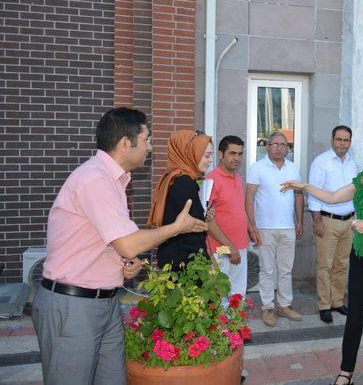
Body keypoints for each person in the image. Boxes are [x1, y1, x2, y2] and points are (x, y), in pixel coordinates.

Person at [32, 108, 208, 385]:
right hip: (73, 307)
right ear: (125, 143)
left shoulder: (114, 180)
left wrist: (123, 263)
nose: (150, 147)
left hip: (105, 303)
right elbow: (127, 244)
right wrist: (176, 228)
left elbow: (111, 242)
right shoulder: (95, 179)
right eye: (147, 139)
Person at [282, 130, 363, 385]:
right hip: (360, 255)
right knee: (355, 314)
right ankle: (346, 372)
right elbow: (332, 197)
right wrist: (305, 186)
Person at [246, 132, 304, 327]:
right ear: (267, 146)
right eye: (275, 144)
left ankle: (285, 305)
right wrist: (252, 226)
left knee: (286, 270)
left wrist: (300, 221)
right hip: (265, 228)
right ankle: (268, 307)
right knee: (267, 270)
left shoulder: (293, 169)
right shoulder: (257, 168)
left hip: (287, 227)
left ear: (288, 148)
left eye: (283, 145)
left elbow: (298, 196)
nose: (279, 148)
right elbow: (249, 198)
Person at [308, 125, 358, 324]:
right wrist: (317, 221)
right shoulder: (321, 162)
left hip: (349, 222)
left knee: (341, 265)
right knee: (325, 266)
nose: (342, 144)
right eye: (339, 140)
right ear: (332, 139)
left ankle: (337, 301)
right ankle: (324, 305)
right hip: (328, 221)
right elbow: (313, 193)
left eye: (346, 140)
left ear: (350, 142)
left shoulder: (353, 163)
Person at [148, 130, 214, 270]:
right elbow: (192, 230)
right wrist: (207, 264)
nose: (211, 160)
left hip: (173, 257)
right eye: (207, 156)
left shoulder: (174, 177)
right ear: (190, 153)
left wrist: (203, 215)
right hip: (186, 262)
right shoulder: (184, 182)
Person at [205, 135, 250, 297]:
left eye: (240, 154)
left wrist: (251, 229)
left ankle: (235, 323)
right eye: (232, 153)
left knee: (238, 294)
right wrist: (230, 247)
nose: (236, 158)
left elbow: (238, 211)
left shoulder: (238, 179)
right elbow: (207, 221)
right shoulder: (210, 181)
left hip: (240, 246)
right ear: (220, 154)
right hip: (220, 248)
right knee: (220, 295)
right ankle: (222, 323)